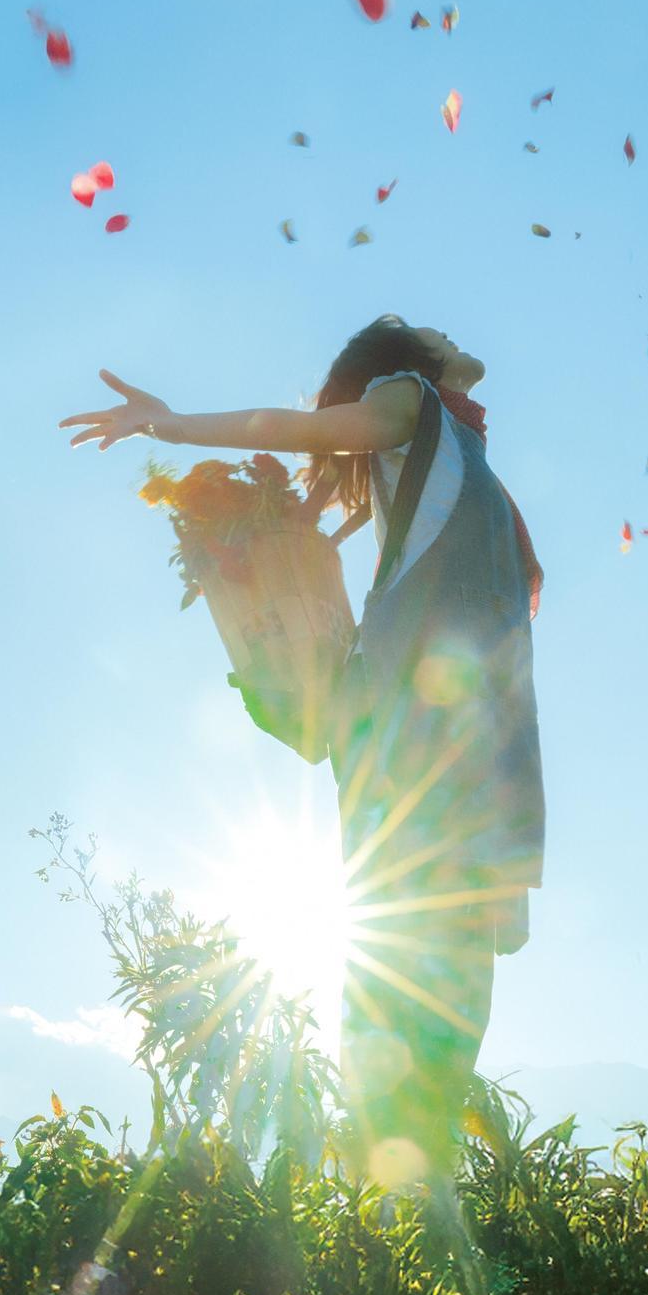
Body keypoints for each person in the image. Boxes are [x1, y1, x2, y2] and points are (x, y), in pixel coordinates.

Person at [58, 317, 546, 1241]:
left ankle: (404, 1183)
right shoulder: (410, 396)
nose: (450, 337)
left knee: (451, 959)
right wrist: (168, 426)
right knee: (417, 954)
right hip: (424, 723)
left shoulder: (453, 441)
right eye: (427, 333)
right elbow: (287, 429)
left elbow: (433, 413)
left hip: (459, 729)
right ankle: (394, 1195)